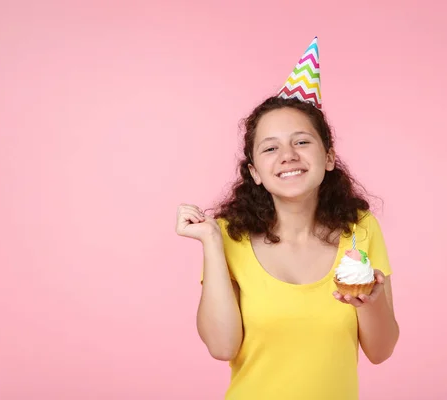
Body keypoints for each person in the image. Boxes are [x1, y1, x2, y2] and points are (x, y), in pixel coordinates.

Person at [175, 37, 399, 400]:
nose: (287, 155)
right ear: (256, 172)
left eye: (302, 142)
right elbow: (222, 346)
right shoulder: (229, 236)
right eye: (270, 148)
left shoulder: (360, 229)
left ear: (328, 157)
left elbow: (381, 351)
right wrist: (212, 243)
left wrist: (370, 302)